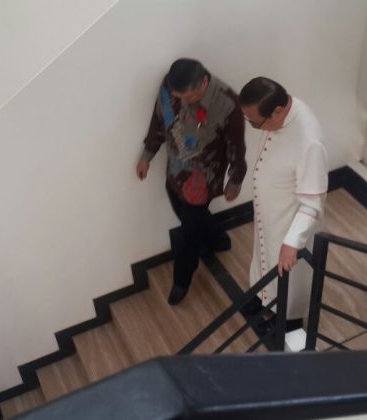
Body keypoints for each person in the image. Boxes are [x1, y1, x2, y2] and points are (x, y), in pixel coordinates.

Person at [136, 58, 247, 305]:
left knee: (188, 234)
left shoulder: (228, 104)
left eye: (189, 98)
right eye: (179, 97)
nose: (183, 102)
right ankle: (219, 239)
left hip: (202, 180)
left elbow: (236, 148)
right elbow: (159, 120)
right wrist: (147, 155)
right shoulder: (170, 85)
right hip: (175, 171)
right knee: (185, 214)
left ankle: (182, 281)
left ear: (204, 83)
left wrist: (235, 181)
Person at [238, 76, 328, 333]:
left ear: (277, 111)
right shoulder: (281, 110)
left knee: (288, 278)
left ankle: (288, 320)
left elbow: (312, 203)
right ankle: (262, 300)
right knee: (263, 260)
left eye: (255, 123)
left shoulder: (310, 141)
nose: (254, 127)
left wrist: (292, 242)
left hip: (289, 223)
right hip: (271, 213)